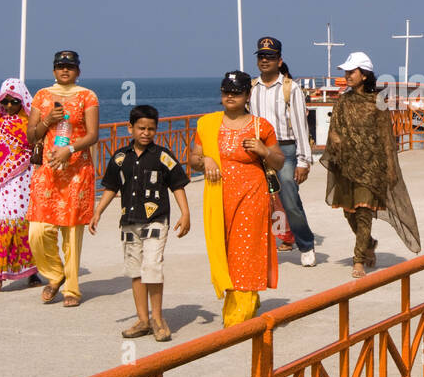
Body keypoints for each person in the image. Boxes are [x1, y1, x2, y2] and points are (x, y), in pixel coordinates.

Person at [189, 71, 285, 327]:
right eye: (226, 92)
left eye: (236, 92)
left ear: (247, 95)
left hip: (252, 195)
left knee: (246, 252)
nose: (230, 96)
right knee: (226, 252)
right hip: (218, 196)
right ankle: (246, 300)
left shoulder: (260, 126)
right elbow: (193, 159)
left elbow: (279, 161)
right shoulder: (207, 124)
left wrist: (264, 151)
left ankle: (236, 318)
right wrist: (205, 159)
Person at [90, 105, 191, 342]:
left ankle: (157, 318)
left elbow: (177, 185)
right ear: (130, 128)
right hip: (129, 222)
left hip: (156, 220)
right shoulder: (119, 158)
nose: (146, 133)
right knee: (135, 271)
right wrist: (98, 212)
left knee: (152, 267)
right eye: (141, 128)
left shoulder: (163, 157)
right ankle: (142, 320)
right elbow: (111, 187)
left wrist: (185, 213)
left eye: (151, 129)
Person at [319, 51, 421, 278]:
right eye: (346, 71)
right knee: (349, 213)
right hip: (347, 166)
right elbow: (334, 128)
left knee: (364, 212)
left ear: (364, 75)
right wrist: (334, 138)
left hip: (372, 167)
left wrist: (391, 169)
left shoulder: (378, 102)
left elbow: (386, 137)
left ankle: (358, 261)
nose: (347, 75)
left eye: (351, 71)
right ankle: (369, 243)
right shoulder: (343, 101)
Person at [26, 50, 100, 307]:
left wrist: (70, 149)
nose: (64, 70)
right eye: (60, 66)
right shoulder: (42, 96)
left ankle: (72, 288)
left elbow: (93, 135)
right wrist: (47, 119)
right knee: (37, 231)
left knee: (71, 232)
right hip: (47, 172)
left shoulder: (87, 96)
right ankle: (55, 274)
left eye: (70, 66)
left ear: (78, 71)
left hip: (76, 171)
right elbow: (31, 136)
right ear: (54, 69)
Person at [249, 36, 317, 267]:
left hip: (286, 148)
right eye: (261, 56)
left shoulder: (291, 88)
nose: (265, 60)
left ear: (279, 60)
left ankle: (306, 244)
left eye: (270, 56)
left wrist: (303, 161)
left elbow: (300, 124)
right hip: (259, 150)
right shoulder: (251, 88)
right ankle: (259, 248)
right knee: (258, 202)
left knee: (289, 198)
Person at [0, 78, 41, 292]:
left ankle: (31, 271)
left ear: (22, 100)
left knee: (22, 225)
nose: (9, 106)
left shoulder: (30, 120)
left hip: (22, 179)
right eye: (5, 102)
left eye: (14, 101)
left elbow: (38, 148)